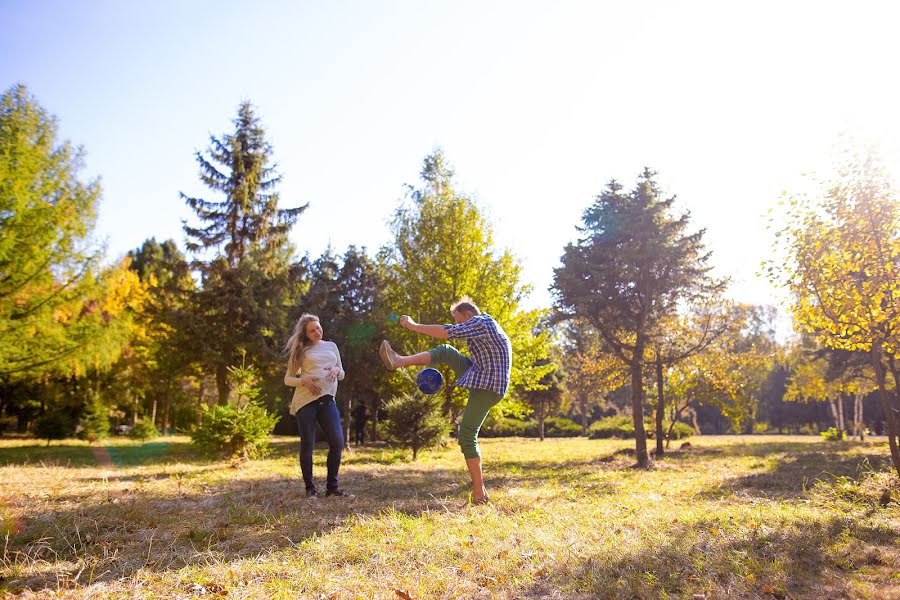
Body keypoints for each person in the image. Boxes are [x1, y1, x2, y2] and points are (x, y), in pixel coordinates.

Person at [379, 297, 511, 505]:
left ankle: (479, 493)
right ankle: (399, 361)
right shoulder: (483, 327)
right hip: (482, 374)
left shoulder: (481, 322)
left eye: (460, 321)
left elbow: (448, 331)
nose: (460, 326)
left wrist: (413, 326)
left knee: (467, 435)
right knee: (446, 352)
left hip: (489, 385)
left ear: (468, 315)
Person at [284, 313, 350, 498]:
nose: (317, 332)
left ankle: (332, 487)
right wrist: (303, 380)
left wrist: (337, 370)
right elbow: (288, 379)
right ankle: (310, 489)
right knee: (308, 444)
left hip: (327, 399)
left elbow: (342, 373)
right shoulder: (300, 350)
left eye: (318, 328)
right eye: (312, 330)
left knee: (337, 442)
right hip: (306, 401)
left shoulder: (331, 346)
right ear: (305, 333)